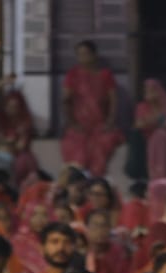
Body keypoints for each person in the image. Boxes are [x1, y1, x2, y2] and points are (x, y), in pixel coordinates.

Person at [60, 41, 121, 178]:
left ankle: (96, 179)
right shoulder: (73, 75)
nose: (83, 57)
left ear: (94, 55)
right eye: (79, 54)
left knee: (104, 142)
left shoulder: (105, 75)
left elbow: (114, 100)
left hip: (100, 124)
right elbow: (65, 101)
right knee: (75, 145)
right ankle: (77, 178)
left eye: (86, 54)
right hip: (79, 124)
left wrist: (110, 122)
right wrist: (73, 123)